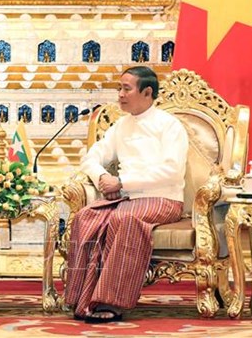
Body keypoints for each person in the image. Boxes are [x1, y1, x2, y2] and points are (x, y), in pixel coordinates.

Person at [65, 66, 188, 323]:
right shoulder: (121, 125)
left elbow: (172, 171)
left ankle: (112, 302)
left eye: (126, 89)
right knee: (86, 217)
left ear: (147, 92)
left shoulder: (169, 125)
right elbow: (92, 157)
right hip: (127, 197)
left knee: (125, 219)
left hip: (163, 199)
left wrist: (121, 183)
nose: (120, 94)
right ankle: (82, 297)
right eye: (119, 88)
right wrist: (102, 178)